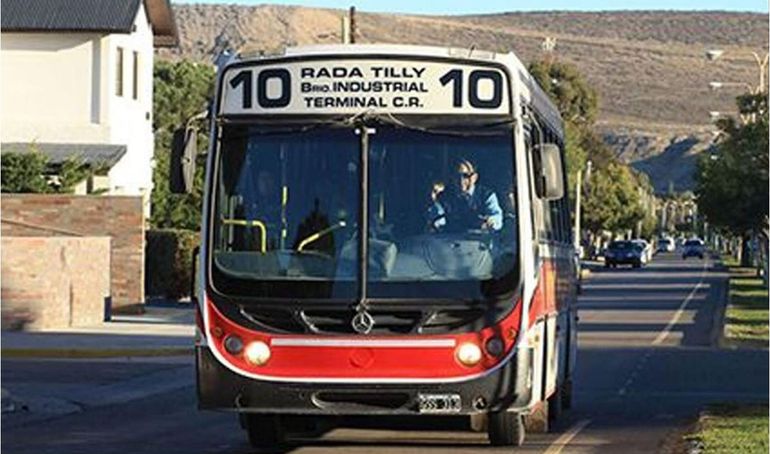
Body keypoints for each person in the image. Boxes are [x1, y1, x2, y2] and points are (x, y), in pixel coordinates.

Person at [427, 158, 503, 232]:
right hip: (451, 238)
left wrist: (491, 222)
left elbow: (496, 218)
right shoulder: (444, 197)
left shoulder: (487, 196)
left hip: (480, 238)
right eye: (457, 176)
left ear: (475, 177)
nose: (461, 181)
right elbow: (437, 218)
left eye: (466, 176)